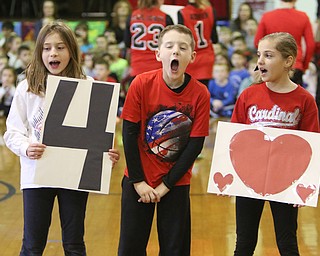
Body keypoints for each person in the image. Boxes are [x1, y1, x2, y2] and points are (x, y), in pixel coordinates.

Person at [3, 21, 120, 255]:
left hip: (74, 175)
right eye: (47, 48)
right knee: (33, 244)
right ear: (40, 52)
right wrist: (26, 148)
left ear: (71, 51)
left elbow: (99, 136)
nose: (53, 53)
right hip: (36, 175)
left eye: (60, 47)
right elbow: (12, 132)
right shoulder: (26, 87)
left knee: (74, 242)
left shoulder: (89, 86)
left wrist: (107, 153)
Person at [118, 24, 210, 255]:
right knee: (130, 247)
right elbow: (128, 134)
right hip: (138, 179)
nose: (175, 52)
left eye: (182, 47)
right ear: (158, 54)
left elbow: (195, 145)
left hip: (175, 183)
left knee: (175, 249)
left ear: (193, 56)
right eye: (169, 46)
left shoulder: (200, 93)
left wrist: (166, 185)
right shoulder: (140, 83)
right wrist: (138, 181)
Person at [232, 32, 319, 256]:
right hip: (250, 178)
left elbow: (312, 143)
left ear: (288, 61)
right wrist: (230, 177)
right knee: (244, 243)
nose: (260, 61)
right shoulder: (247, 95)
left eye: (268, 55)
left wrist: (305, 186)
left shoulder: (305, 99)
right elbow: (234, 140)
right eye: (259, 55)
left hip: (286, 180)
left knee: (287, 242)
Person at [254, 0, 315, 86]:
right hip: (295, 64)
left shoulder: (267, 16)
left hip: (271, 65)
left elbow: (257, 42)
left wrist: (264, 58)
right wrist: (304, 66)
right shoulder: (303, 16)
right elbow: (310, 45)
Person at [124, 0, 174, 82]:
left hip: (137, 68)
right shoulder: (165, 17)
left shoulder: (132, 16)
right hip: (159, 68)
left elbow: (127, 43)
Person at [178, 0, 218, 87]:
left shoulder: (182, 13)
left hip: (190, 58)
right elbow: (215, 39)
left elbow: (180, 40)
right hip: (206, 58)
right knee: (204, 93)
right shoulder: (211, 10)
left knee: (189, 93)